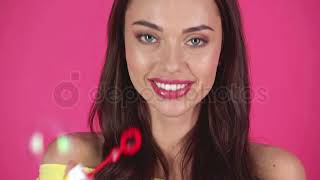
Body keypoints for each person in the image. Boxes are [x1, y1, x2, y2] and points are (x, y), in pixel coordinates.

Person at [38, 0, 306, 179]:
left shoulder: (277, 173)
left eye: (196, 40)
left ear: (224, 49)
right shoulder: (70, 161)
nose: (172, 64)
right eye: (148, 37)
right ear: (122, 45)